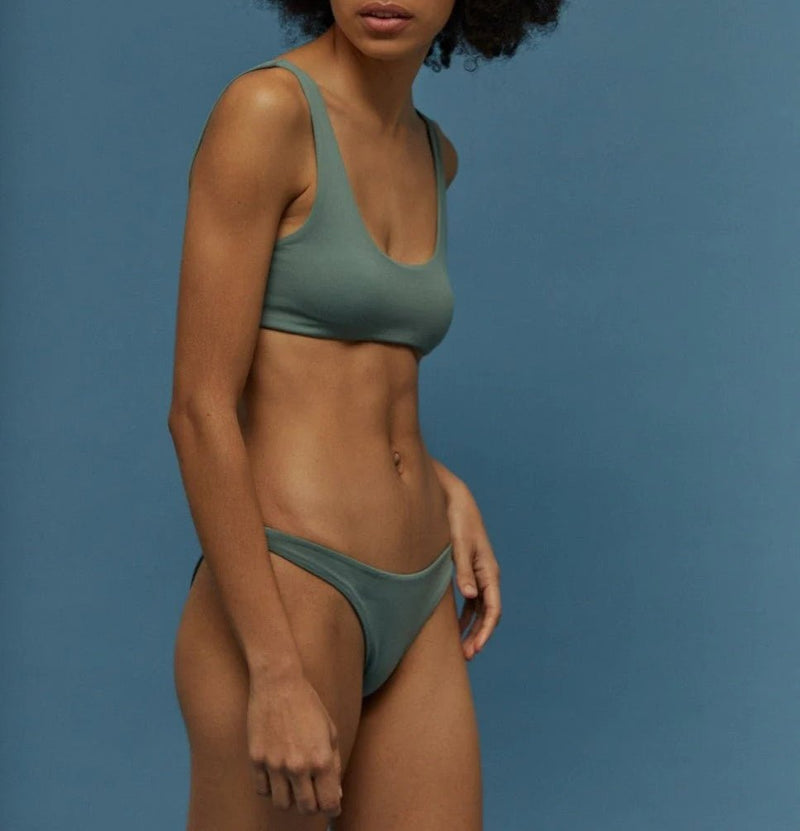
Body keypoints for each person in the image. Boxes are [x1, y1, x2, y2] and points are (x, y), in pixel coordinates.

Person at [168, 1, 565, 828]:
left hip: (419, 586)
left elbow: (357, 378)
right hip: (293, 581)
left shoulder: (434, 154)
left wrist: (442, 482)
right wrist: (275, 671)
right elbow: (200, 408)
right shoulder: (268, 112)